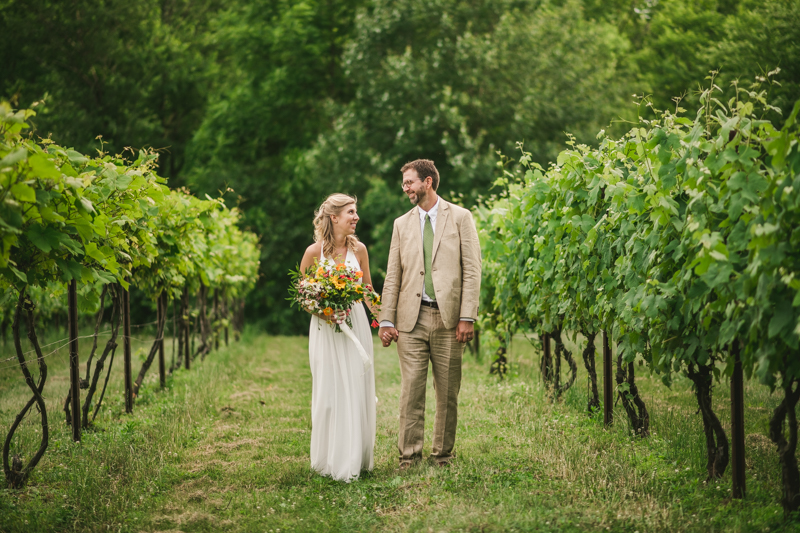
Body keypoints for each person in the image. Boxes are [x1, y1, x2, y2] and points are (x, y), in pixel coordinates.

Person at [379, 159, 482, 468]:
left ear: (428, 182)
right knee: (411, 390)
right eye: (404, 184)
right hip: (411, 319)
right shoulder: (401, 223)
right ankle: (408, 455)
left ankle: (443, 455)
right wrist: (386, 318)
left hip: (450, 319)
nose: (405, 188)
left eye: (409, 182)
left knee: (448, 391)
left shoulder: (461, 217)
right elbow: (393, 275)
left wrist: (468, 317)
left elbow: (472, 271)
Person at [298, 193, 378, 482]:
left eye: (355, 212)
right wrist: (326, 314)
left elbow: (368, 290)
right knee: (329, 392)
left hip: (355, 324)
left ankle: (356, 458)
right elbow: (304, 297)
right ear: (334, 218)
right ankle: (329, 460)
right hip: (326, 330)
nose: (356, 217)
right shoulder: (313, 252)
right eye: (351, 212)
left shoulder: (360, 251)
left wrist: (383, 321)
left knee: (356, 388)